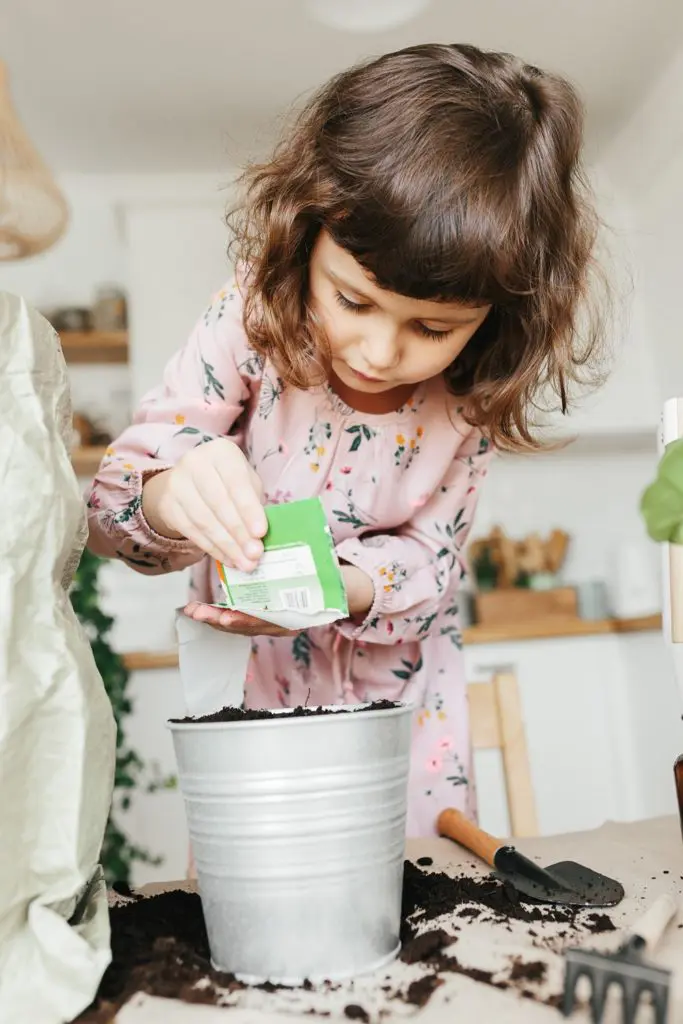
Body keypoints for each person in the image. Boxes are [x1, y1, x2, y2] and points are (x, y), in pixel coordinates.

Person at [87, 43, 604, 835]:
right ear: (305, 239)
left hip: (407, 718)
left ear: (498, 320)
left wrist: (337, 588)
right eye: (352, 300)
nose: (379, 352)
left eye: (433, 328)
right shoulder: (248, 325)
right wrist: (168, 492)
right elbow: (109, 513)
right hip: (250, 701)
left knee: (424, 912)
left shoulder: (468, 396)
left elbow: (431, 563)